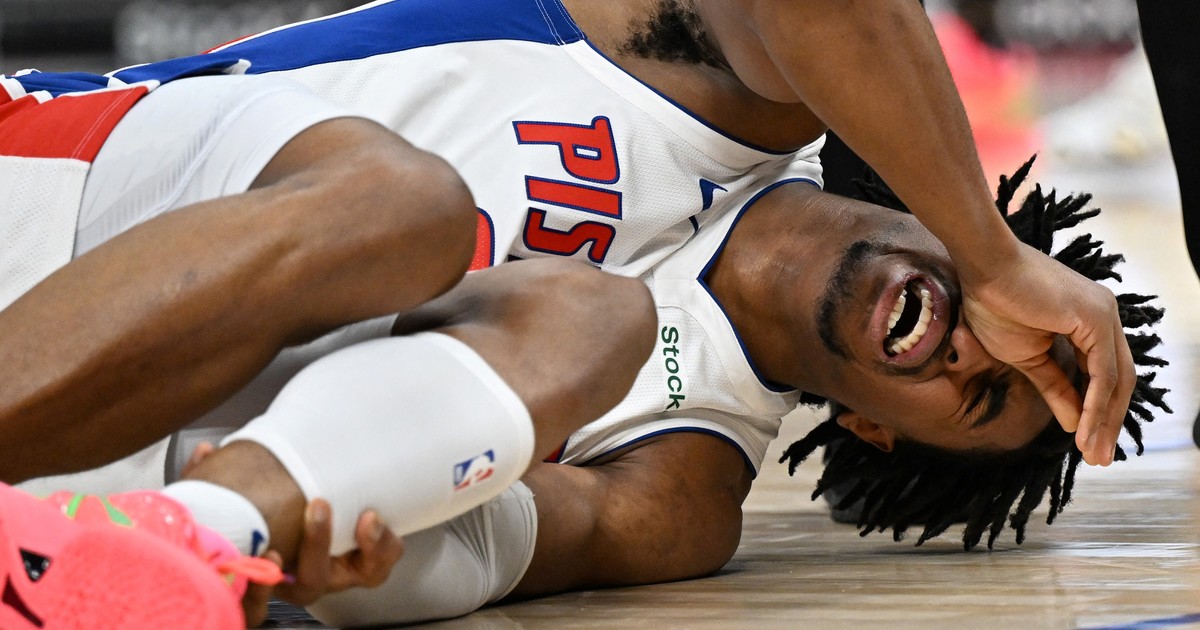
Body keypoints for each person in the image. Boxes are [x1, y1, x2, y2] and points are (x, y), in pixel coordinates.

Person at [98, 0, 1134, 467]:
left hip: (91, 466)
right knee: (406, 212)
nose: (971, 352)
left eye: (978, 398)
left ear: (871, 428)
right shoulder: (740, 105)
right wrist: (990, 258)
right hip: (63, 171)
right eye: (1008, 339)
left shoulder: (685, 471)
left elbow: (470, 552)